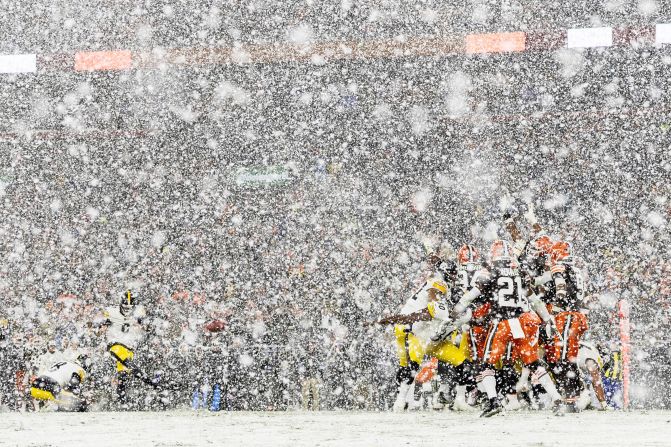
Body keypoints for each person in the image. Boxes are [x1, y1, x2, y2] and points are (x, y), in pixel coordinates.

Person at [451, 240, 564, 417]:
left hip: (501, 323)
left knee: (486, 363)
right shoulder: (518, 271)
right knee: (533, 363)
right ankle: (557, 399)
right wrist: (548, 319)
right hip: (519, 322)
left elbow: (470, 296)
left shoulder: (488, 271)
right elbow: (534, 300)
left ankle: (493, 401)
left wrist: (456, 310)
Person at [101, 290, 155, 405]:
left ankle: (121, 400)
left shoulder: (138, 314)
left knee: (123, 375)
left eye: (130, 306)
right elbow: (99, 328)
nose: (127, 309)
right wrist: (101, 328)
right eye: (125, 306)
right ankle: (151, 382)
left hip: (129, 347)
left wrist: (144, 326)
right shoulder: (112, 312)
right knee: (130, 366)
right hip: (115, 344)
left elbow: (148, 328)